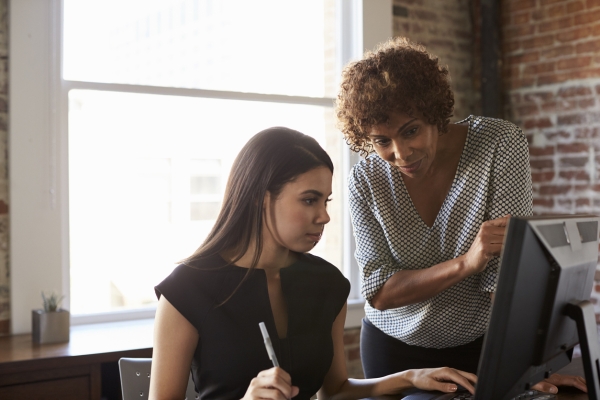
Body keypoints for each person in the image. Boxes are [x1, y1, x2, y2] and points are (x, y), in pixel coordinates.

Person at [149, 127, 479, 400]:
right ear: (259, 197)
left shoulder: (327, 284)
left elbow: (334, 391)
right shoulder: (186, 291)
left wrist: (410, 377)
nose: (324, 216)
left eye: (325, 201)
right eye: (309, 200)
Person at [335, 37, 587, 394]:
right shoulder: (365, 179)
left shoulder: (499, 144)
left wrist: (530, 368)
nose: (401, 153)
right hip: (393, 349)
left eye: (411, 131)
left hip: (482, 346)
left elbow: (504, 274)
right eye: (381, 141)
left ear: (435, 113)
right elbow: (378, 290)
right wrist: (467, 262)